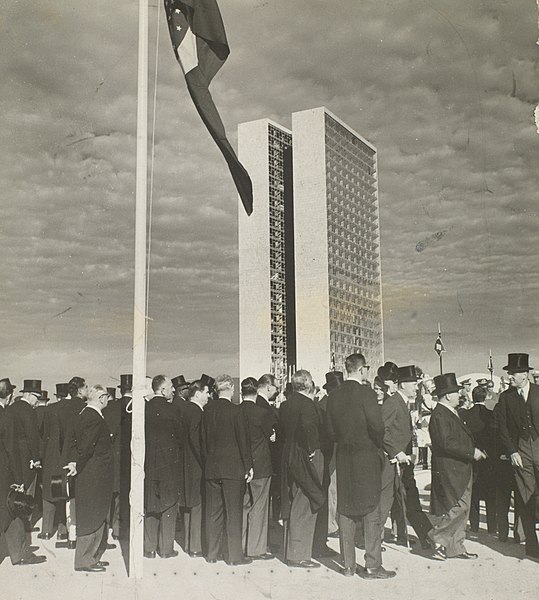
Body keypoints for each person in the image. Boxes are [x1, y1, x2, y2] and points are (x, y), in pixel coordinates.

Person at [326, 354, 395, 580]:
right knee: (371, 508)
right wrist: (374, 444)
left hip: (344, 458)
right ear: (362, 369)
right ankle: (373, 565)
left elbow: (330, 431)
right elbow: (377, 426)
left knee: (345, 510)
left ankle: (348, 566)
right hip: (366, 457)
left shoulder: (334, 396)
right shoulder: (367, 393)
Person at [428, 373, 486, 560]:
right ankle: (437, 537)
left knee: (464, 507)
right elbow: (446, 443)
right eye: (455, 392)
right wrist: (471, 452)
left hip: (460, 467)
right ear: (446, 396)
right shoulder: (439, 414)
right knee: (458, 507)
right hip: (451, 469)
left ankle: (456, 547)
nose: (459, 395)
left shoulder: (450, 412)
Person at [202, 374, 253, 566]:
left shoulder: (207, 410)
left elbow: (203, 440)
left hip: (212, 468)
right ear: (231, 388)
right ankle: (233, 556)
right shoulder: (236, 411)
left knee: (213, 512)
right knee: (233, 513)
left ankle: (212, 554)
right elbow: (243, 441)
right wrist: (248, 466)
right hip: (233, 470)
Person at [66, 384, 114, 572]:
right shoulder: (94, 418)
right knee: (93, 515)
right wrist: (77, 463)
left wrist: (73, 462)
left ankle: (90, 557)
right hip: (95, 475)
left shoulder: (82, 414)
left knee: (92, 513)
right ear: (102, 398)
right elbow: (86, 446)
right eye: (107, 398)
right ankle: (84, 560)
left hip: (90, 474)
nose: (108, 401)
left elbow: (74, 442)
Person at [496, 353, 539, 558]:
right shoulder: (506, 397)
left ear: (525, 374)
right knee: (524, 497)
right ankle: (532, 545)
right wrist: (512, 451)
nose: (509, 377)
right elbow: (502, 427)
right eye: (509, 373)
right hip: (521, 451)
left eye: (513, 373)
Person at [0, 378, 46, 565]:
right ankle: (20, 553)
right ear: (11, 394)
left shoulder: (10, 410)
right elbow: (11, 447)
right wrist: (18, 478)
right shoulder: (10, 414)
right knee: (16, 506)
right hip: (10, 469)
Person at [144, 375, 183, 559]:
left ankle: (149, 548)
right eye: (170, 387)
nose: (173, 390)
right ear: (162, 389)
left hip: (149, 464)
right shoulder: (172, 410)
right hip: (168, 464)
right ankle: (166, 549)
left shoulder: (145, 409)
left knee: (151, 504)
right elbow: (180, 436)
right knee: (169, 504)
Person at [240, 377, 275, 560]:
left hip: (241, 465)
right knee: (259, 506)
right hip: (261, 465)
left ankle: (242, 544)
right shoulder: (261, 413)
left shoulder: (236, 411)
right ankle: (256, 549)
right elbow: (271, 436)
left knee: (244, 505)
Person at [459, 385, 497, 534]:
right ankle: (492, 527)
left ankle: (474, 525)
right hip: (489, 458)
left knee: (473, 493)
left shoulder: (465, 415)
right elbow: (495, 436)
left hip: (472, 458)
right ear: (486, 397)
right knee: (490, 494)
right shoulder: (491, 414)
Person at [179, 379, 209, 557]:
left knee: (188, 505)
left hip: (184, 463)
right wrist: (206, 460)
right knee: (197, 504)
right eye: (206, 393)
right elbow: (197, 441)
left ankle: (189, 543)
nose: (208, 396)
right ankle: (196, 546)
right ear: (197, 394)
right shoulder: (197, 413)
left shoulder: (184, 410)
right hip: (196, 465)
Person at [58, 376, 88, 549]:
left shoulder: (61, 408)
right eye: (86, 387)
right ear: (80, 390)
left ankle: (71, 535)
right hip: (80, 458)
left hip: (66, 456)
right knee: (80, 496)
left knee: (70, 497)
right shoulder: (84, 408)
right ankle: (80, 534)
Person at [103, 387, 121, 541]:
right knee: (118, 496)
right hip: (119, 456)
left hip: (106, 458)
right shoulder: (120, 408)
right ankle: (117, 529)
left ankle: (106, 526)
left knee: (107, 493)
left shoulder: (103, 411)